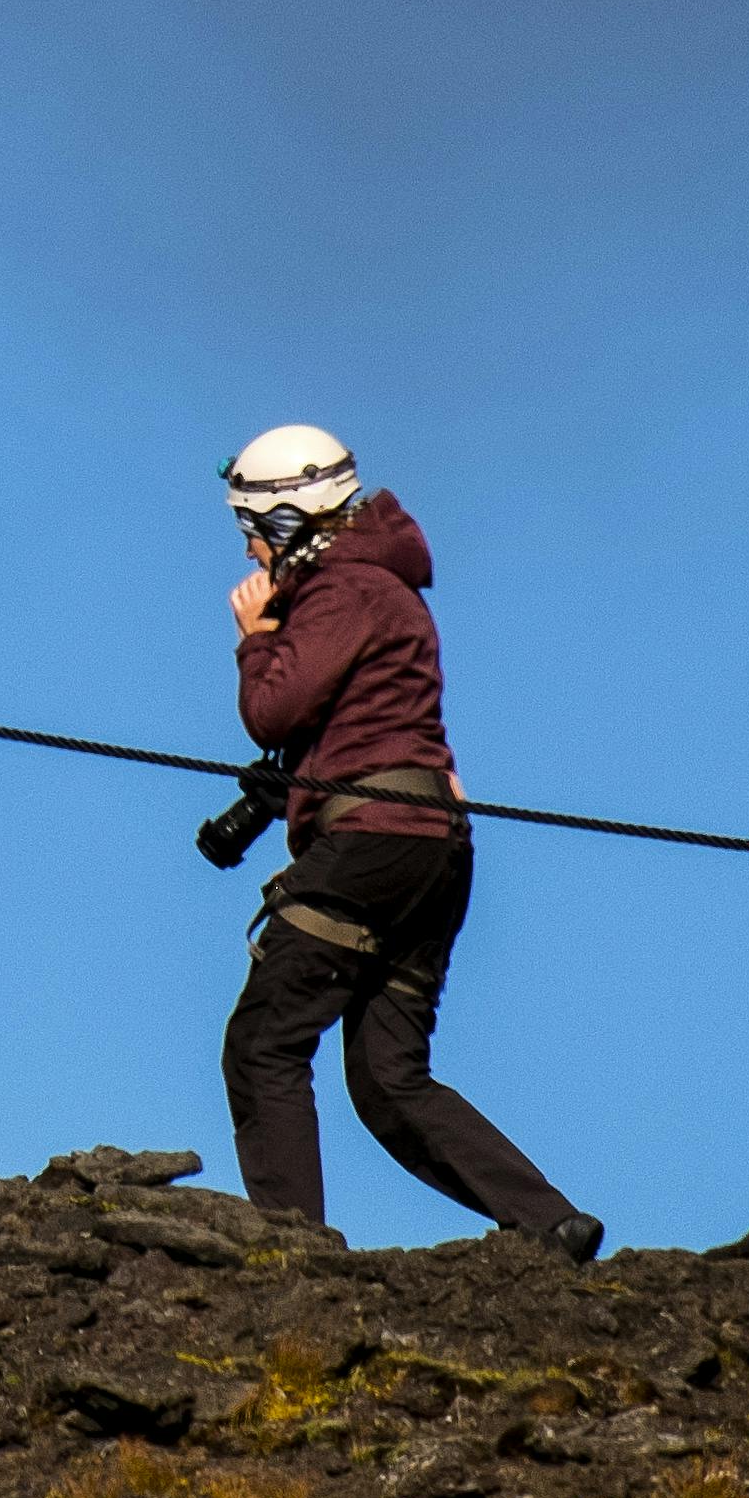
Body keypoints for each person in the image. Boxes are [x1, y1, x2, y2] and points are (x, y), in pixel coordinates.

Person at [212, 422, 598, 1258]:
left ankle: (293, 1257)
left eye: (252, 526)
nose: (247, 550)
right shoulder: (386, 588)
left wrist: (257, 642)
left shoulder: (343, 589)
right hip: (433, 850)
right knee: (389, 1080)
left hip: (372, 844)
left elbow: (271, 710)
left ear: (290, 519)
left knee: (263, 1042)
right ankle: (549, 1223)